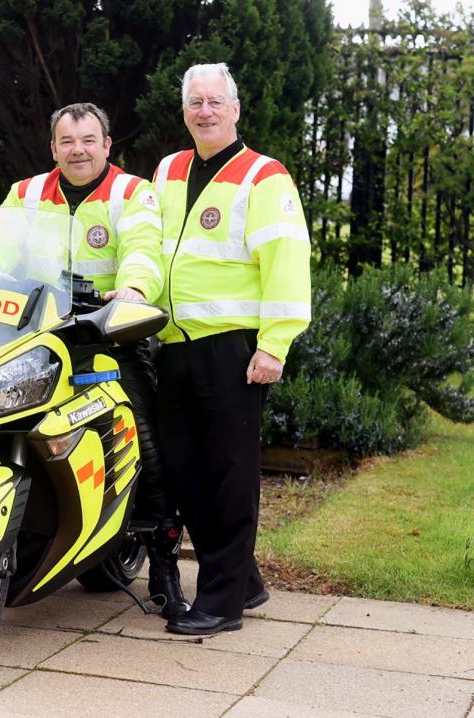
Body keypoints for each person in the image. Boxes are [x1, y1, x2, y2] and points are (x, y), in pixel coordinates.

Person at [0, 102, 190, 619]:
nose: (77, 150)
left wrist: (132, 289)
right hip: (36, 339)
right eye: (67, 141)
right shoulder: (27, 194)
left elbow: (144, 249)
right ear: (53, 148)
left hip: (108, 336)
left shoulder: (132, 192)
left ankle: (164, 566)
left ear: (108, 145)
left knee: (144, 446)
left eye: (88, 140)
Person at [152, 63, 312, 636]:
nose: (205, 111)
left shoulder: (264, 176)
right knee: (184, 472)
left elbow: (288, 262)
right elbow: (150, 247)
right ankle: (244, 577)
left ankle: (221, 603)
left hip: (234, 351)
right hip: (172, 344)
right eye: (195, 102)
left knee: (229, 475)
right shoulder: (168, 170)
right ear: (185, 111)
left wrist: (275, 345)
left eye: (216, 101)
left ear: (236, 109)